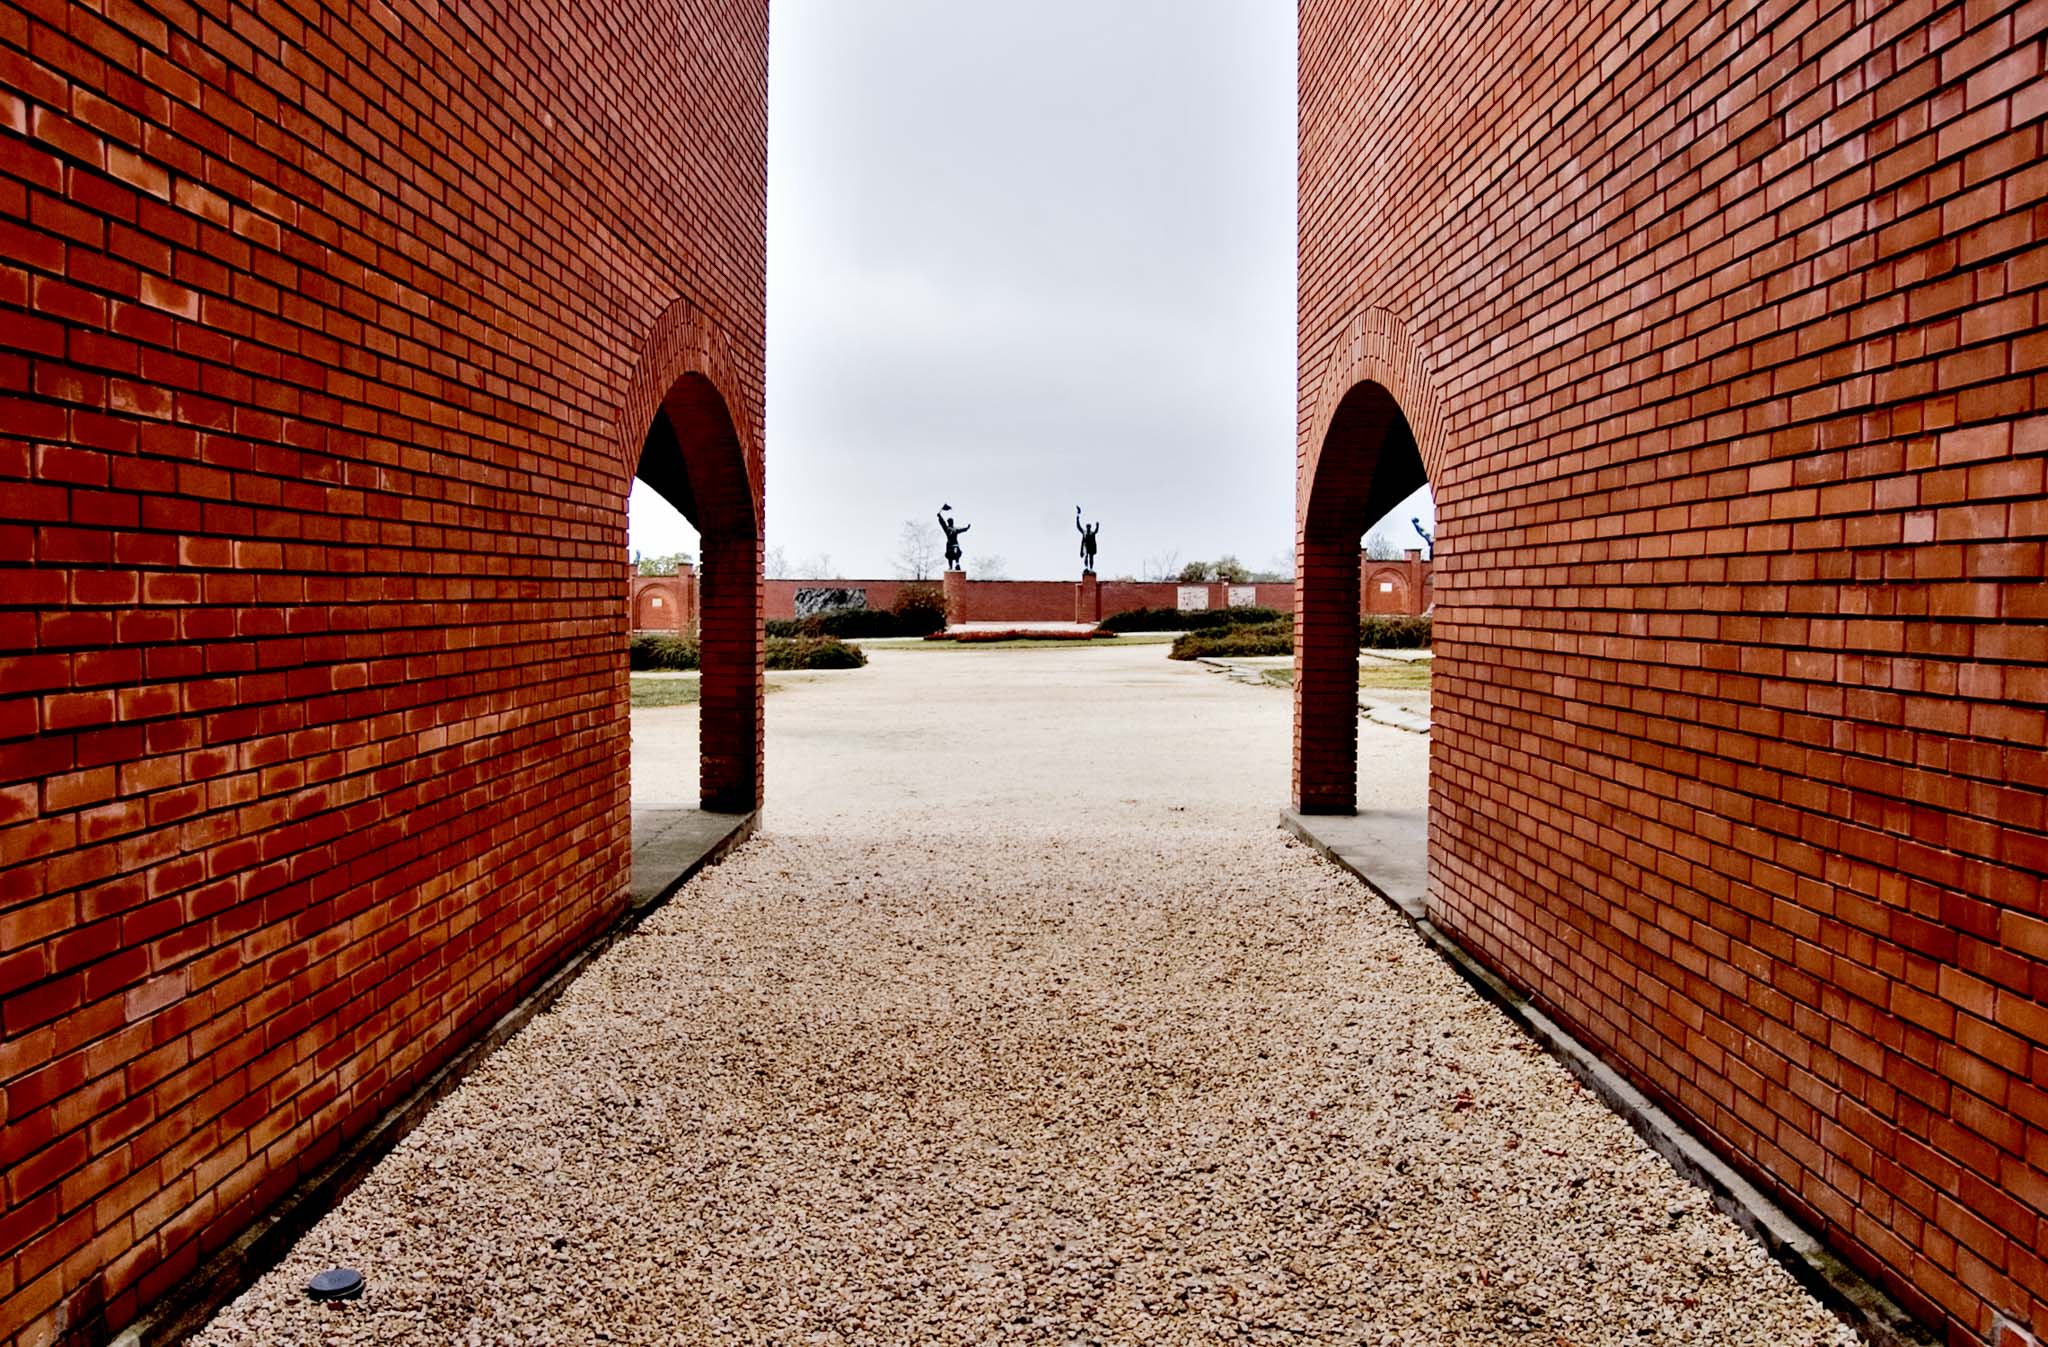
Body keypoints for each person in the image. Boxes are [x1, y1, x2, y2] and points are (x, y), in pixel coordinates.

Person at [937, 505, 971, 571]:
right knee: (952, 555)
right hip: (952, 544)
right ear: (951, 523)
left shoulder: (951, 529)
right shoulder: (951, 529)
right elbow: (943, 523)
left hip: (952, 545)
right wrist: (940, 516)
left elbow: (961, 529)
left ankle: (955, 565)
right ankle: (953, 565)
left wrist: (966, 528)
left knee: (953, 555)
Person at [1076, 507, 1099, 573]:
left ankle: (1091, 569)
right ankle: (1086, 568)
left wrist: (1097, 526)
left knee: (1091, 558)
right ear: (1086, 527)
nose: (1088, 528)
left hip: (1091, 547)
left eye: (1089, 527)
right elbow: (1078, 526)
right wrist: (1077, 517)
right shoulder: (1084, 532)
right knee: (1086, 556)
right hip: (1086, 547)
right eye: (1087, 527)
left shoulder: (1092, 533)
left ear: (1090, 527)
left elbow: (1096, 531)